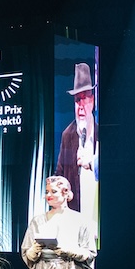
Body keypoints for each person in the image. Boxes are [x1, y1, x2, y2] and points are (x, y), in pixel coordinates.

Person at [55, 62, 98, 224]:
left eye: (84, 99)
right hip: (76, 215)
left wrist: (91, 162)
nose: (80, 106)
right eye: (76, 100)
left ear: (92, 100)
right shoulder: (68, 135)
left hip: (99, 213)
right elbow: (60, 173)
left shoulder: (102, 133)